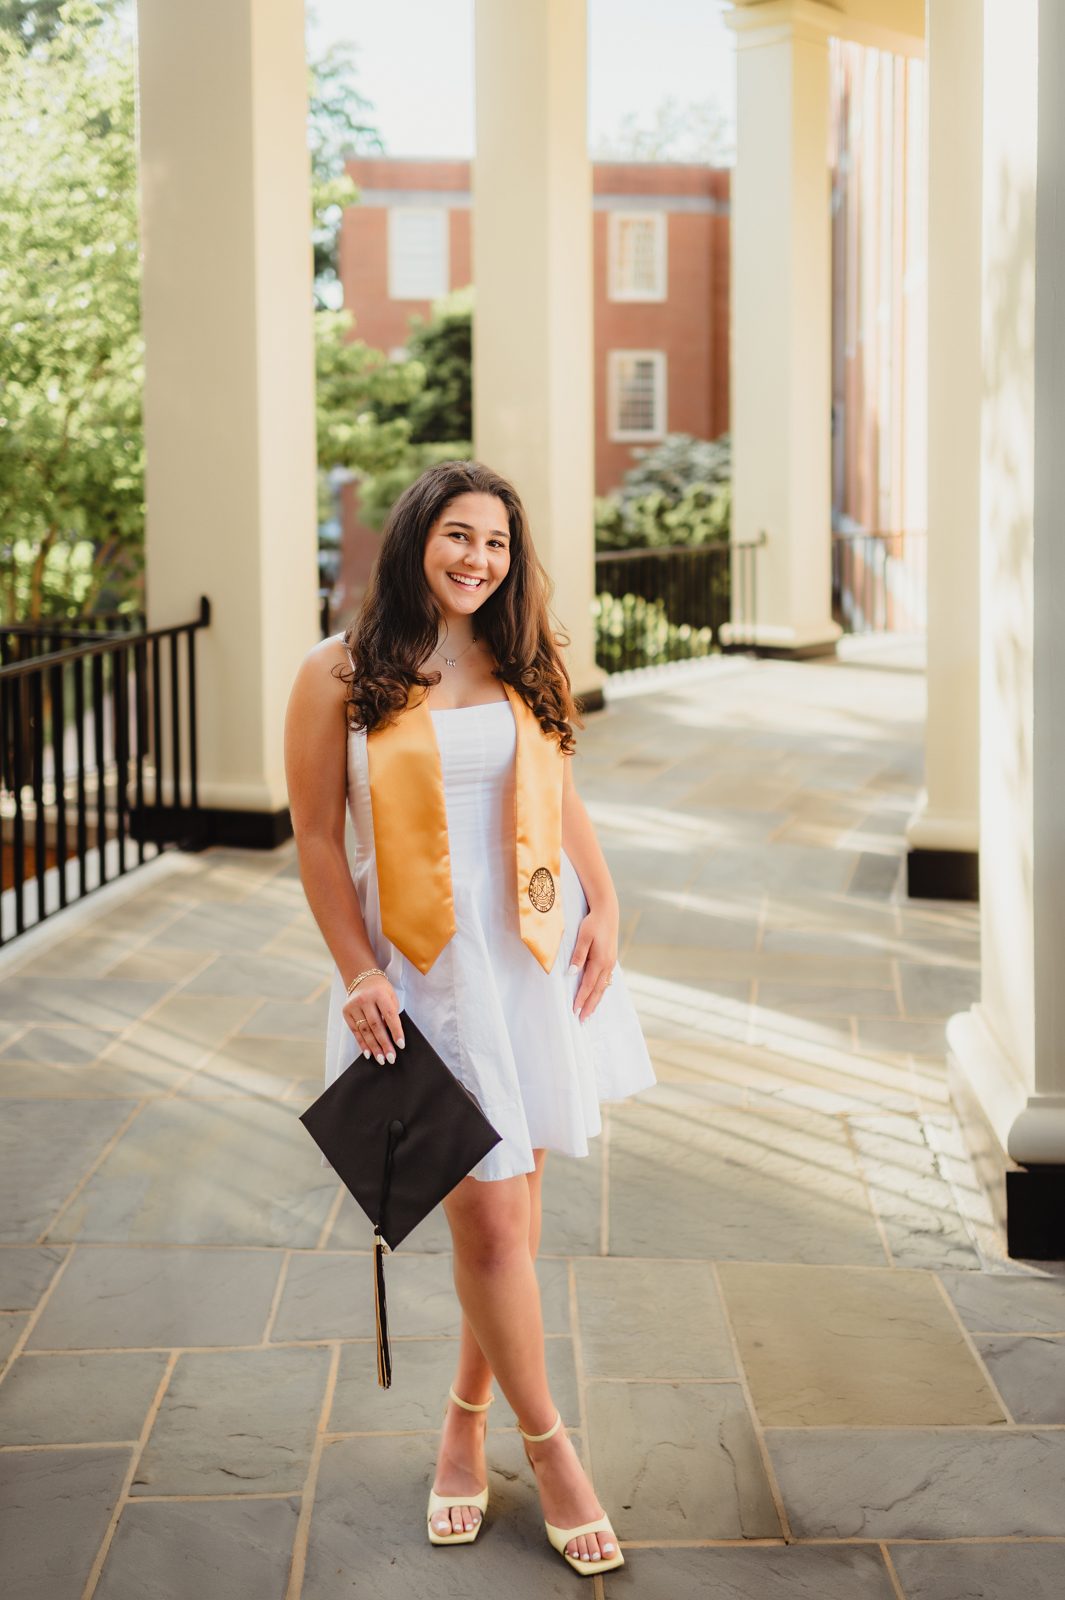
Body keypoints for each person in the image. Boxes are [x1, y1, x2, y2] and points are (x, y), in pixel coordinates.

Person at [284, 459, 657, 1575]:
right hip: (426, 975)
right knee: (491, 1227)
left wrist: (611, 906)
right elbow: (313, 837)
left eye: (495, 543)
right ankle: (551, 1452)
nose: (476, 559)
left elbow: (562, 792)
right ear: (416, 539)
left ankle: (461, 1420)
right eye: (458, 535)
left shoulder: (522, 660)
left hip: (533, 956)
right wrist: (358, 971)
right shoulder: (339, 674)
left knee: (520, 1216)